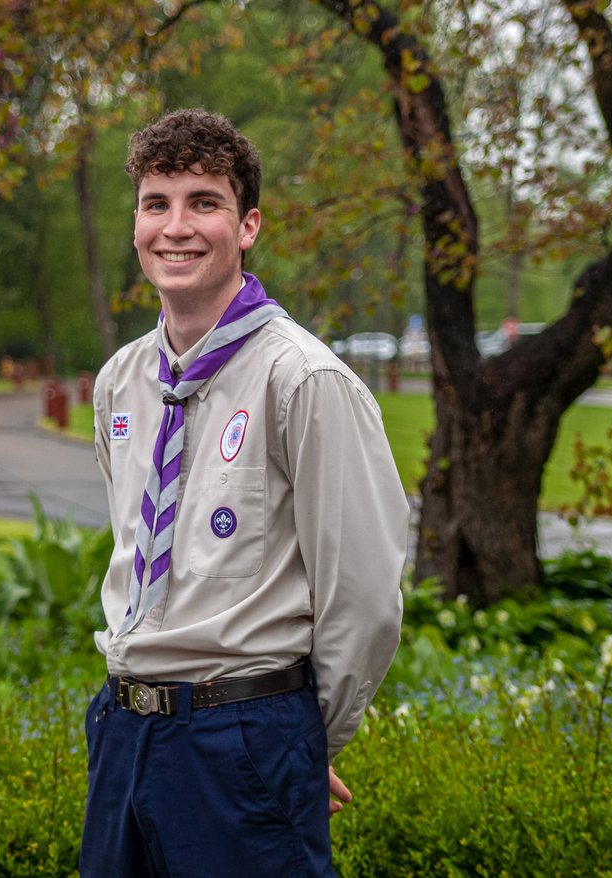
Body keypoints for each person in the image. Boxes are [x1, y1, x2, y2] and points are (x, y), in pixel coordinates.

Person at [81, 108, 408, 878]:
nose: (176, 227)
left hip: (246, 733)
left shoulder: (304, 379)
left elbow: (363, 594)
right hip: (123, 730)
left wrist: (304, 742)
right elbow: (132, 551)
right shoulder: (120, 381)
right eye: (156, 203)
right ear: (135, 222)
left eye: (204, 202)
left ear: (248, 224)